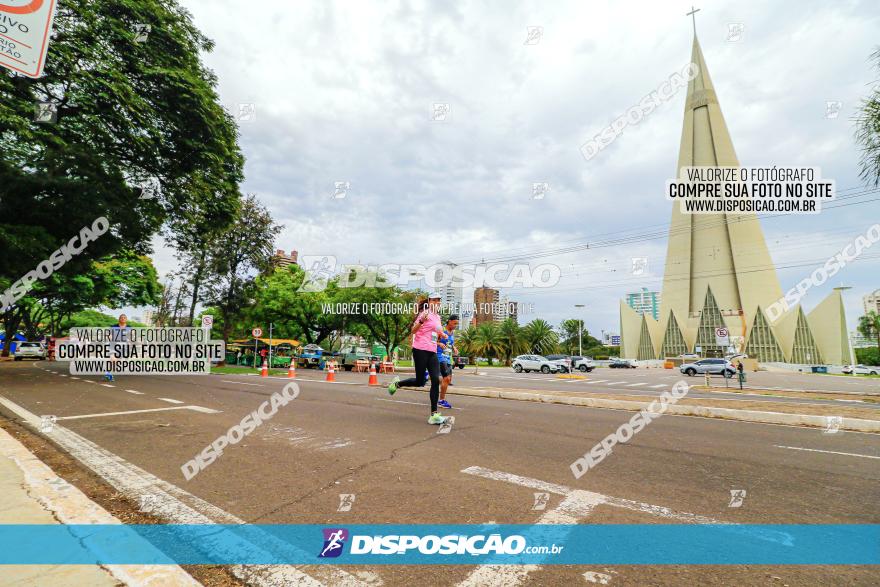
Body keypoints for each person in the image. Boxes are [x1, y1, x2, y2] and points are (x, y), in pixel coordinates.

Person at [387, 294, 447, 424]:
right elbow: (413, 331)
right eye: (434, 300)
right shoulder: (424, 314)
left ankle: (434, 415)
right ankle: (397, 384)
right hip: (420, 350)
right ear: (429, 302)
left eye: (439, 300)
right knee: (420, 381)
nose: (437, 302)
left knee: (436, 380)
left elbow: (434, 332)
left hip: (432, 351)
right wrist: (421, 321)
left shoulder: (437, 317)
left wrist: (442, 335)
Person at [437, 315, 459, 408]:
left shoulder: (452, 332)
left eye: (457, 324)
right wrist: (439, 343)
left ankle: (430, 376)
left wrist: (454, 348)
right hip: (440, 356)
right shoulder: (441, 330)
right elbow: (432, 341)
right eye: (454, 323)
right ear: (449, 321)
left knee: (448, 379)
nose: (455, 325)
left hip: (447, 357)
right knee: (446, 379)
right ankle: (441, 400)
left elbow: (451, 343)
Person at [105, 313, 130, 381]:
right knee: (113, 359)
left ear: (126, 319)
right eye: (121, 317)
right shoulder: (113, 326)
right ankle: (108, 374)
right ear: (119, 319)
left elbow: (130, 336)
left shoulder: (129, 327)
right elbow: (109, 335)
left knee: (117, 361)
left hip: (123, 346)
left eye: (124, 317)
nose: (123, 318)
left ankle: (109, 372)